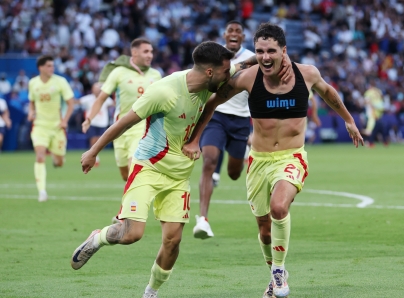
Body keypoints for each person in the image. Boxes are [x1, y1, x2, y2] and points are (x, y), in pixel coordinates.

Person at [71, 41, 292, 298]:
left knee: (172, 242)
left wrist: (282, 60)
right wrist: (93, 151)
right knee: (132, 235)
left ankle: (150, 293)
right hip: (149, 169)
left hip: (179, 177)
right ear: (210, 72)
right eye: (223, 73)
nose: (227, 78)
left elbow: (245, 63)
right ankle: (98, 238)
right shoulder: (163, 92)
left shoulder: (214, 76)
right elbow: (124, 123)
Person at [182, 23, 363, 298]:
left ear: (284, 51)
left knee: (280, 207)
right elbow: (213, 101)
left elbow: (329, 94)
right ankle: (274, 273)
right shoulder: (247, 77)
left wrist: (349, 120)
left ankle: (278, 272)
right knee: (265, 231)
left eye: (271, 51)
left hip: (292, 157)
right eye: (260, 51)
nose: (265, 56)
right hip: (258, 161)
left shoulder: (307, 74)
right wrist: (194, 139)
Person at [81, 38, 162, 223]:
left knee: (135, 164)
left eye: (151, 52)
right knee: (126, 175)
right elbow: (101, 98)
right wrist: (89, 118)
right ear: (134, 53)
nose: (150, 55)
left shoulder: (157, 75)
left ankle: (124, 214)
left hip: (144, 128)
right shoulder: (118, 72)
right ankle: (145, 196)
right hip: (120, 130)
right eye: (146, 52)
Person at [193, 20, 255, 239]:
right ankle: (203, 220)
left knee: (234, 173)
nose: (234, 34)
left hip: (240, 121)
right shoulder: (214, 57)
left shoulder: (254, 58)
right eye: (230, 30)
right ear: (224, 35)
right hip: (215, 116)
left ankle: (239, 158)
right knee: (209, 160)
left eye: (238, 31)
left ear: (243, 37)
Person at [28, 55, 75, 202]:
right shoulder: (33, 83)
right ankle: (42, 191)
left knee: (59, 162)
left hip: (57, 127)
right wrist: (31, 112)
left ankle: (58, 157)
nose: (52, 68)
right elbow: (32, 102)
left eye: (53, 66)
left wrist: (65, 121)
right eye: (49, 66)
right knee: (40, 155)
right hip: (40, 126)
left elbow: (71, 103)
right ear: (40, 68)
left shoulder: (60, 82)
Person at [78, 82, 113, 166]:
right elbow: (78, 102)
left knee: (99, 140)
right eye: (96, 89)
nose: (97, 91)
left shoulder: (106, 99)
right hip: (92, 122)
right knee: (93, 140)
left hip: (102, 123)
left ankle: (94, 155)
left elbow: (112, 103)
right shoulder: (88, 98)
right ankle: (94, 157)